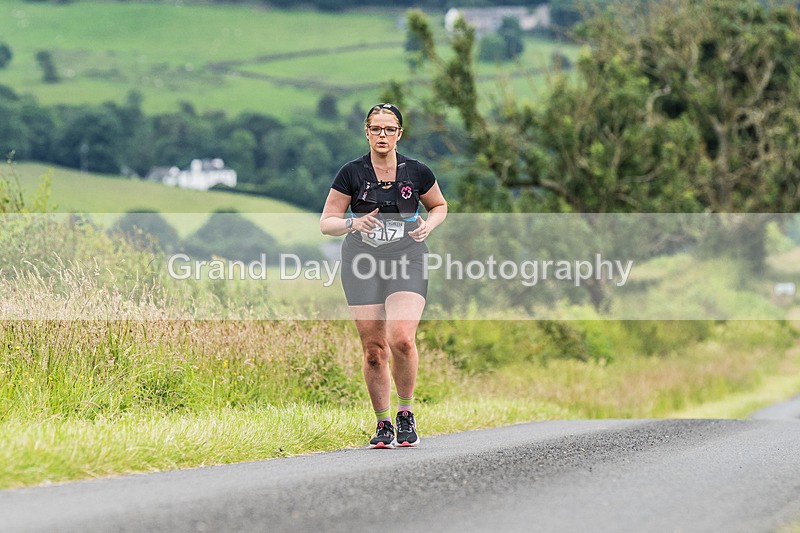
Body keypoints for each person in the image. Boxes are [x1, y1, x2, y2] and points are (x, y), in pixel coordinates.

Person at [320, 103, 448, 448]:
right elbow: (326, 222)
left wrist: (428, 226)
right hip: (362, 262)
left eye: (389, 129)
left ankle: (406, 414)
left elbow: (439, 205)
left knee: (402, 338)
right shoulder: (351, 173)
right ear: (366, 132)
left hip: (407, 258)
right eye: (376, 129)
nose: (382, 135)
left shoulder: (417, 172)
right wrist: (352, 222)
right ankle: (383, 423)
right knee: (374, 350)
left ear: (399, 134)